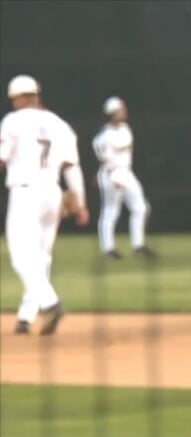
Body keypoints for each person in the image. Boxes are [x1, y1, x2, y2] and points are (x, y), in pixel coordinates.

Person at [1, 74, 89, 335]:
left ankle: (50, 304)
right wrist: (80, 202)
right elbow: (72, 167)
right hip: (52, 193)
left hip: (25, 192)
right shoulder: (60, 124)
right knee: (41, 258)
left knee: (21, 256)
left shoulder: (13, 121)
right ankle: (26, 317)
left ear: (18, 97)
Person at [93, 95, 156, 260]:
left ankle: (138, 246)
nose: (124, 112)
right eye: (120, 110)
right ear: (112, 113)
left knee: (141, 207)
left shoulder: (126, 129)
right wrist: (114, 178)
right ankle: (108, 249)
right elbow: (106, 159)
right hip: (112, 173)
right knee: (110, 211)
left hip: (126, 172)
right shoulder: (104, 136)